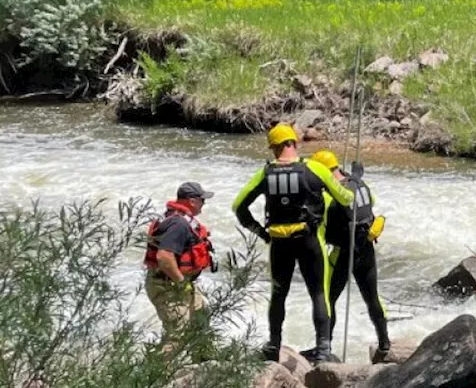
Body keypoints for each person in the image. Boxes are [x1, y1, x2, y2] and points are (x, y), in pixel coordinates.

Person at [232, 123, 354, 364]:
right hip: (309, 240)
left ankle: (273, 346)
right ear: (294, 143)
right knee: (319, 293)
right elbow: (345, 197)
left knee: (278, 295)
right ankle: (322, 349)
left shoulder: (264, 174)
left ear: (274, 148)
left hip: (278, 243)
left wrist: (261, 233)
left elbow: (239, 207)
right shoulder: (315, 169)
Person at [312, 150, 392, 363]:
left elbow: (321, 230)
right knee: (372, 298)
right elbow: (370, 203)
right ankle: (384, 343)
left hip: (342, 254)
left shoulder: (330, 196)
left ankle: (324, 348)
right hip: (366, 250)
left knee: (328, 300)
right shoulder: (361, 185)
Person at [143, 181, 217, 348]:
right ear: (192, 201)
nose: (204, 204)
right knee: (177, 334)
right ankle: (160, 371)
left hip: (180, 284)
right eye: (202, 200)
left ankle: (203, 363)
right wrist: (181, 282)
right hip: (168, 286)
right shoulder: (178, 224)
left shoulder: (177, 218)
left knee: (201, 318)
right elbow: (164, 257)